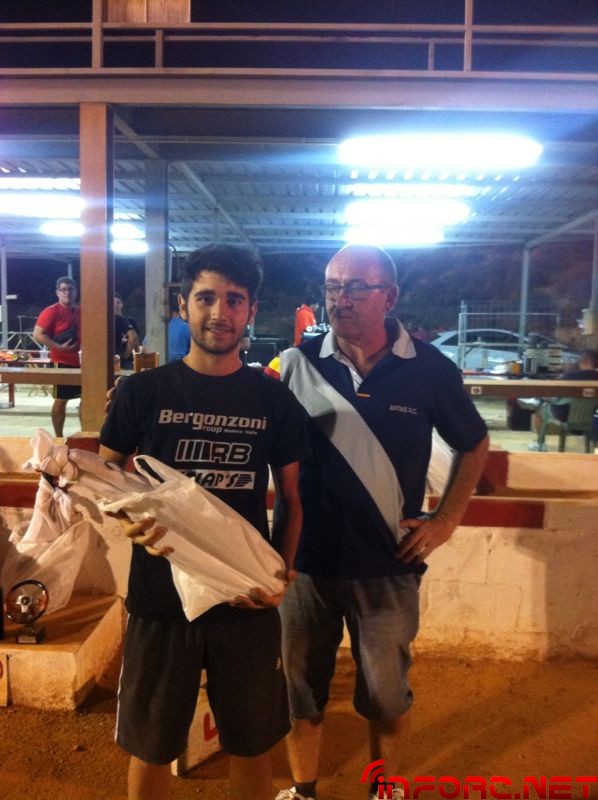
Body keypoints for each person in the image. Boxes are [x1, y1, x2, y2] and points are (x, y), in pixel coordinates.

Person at [272, 244, 489, 800]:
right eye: (332, 286)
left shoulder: (430, 369)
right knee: (301, 693)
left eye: (355, 288)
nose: (339, 299)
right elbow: (247, 423)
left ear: (388, 297)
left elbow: (474, 443)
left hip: (389, 565)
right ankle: (302, 792)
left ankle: (382, 790)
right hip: (303, 564)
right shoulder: (295, 364)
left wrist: (445, 520)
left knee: (387, 698)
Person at [98, 243, 310, 800]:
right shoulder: (143, 392)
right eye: (206, 298)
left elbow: (292, 498)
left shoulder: (273, 400)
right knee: (152, 747)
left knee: (251, 746)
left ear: (251, 310)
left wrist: (282, 574)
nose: (220, 312)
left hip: (246, 601)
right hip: (159, 601)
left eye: (234, 300)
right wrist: (125, 519)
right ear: (183, 305)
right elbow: (105, 480)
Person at [33, 276, 81, 438]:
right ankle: (59, 437)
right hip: (61, 362)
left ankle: (85, 434)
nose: (67, 292)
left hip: (82, 363)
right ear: (57, 293)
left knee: (87, 399)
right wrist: (59, 347)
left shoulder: (80, 312)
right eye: (63, 289)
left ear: (76, 292)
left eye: (70, 289)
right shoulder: (51, 311)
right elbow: (38, 334)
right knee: (61, 400)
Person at [529, 348, 598, 451]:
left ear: (584, 361)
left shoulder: (570, 375)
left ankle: (540, 444)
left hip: (564, 415)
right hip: (591, 416)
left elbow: (552, 392)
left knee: (540, 409)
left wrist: (544, 398)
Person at [114, 292, 141, 370]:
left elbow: (135, 341)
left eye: (118, 303)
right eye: (113, 303)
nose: (115, 306)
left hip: (126, 362)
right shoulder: (109, 323)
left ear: (122, 304)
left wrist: (126, 355)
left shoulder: (130, 321)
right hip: (116, 361)